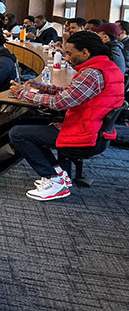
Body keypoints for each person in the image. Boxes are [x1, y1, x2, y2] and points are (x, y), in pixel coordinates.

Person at [8, 31, 124, 201]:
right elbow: (73, 94)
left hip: (86, 134)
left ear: (85, 52)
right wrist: (43, 87)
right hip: (93, 128)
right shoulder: (106, 67)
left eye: (69, 53)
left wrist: (23, 94)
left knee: (18, 133)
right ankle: (60, 174)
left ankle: (54, 180)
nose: (67, 58)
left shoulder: (91, 73)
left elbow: (59, 103)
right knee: (33, 125)